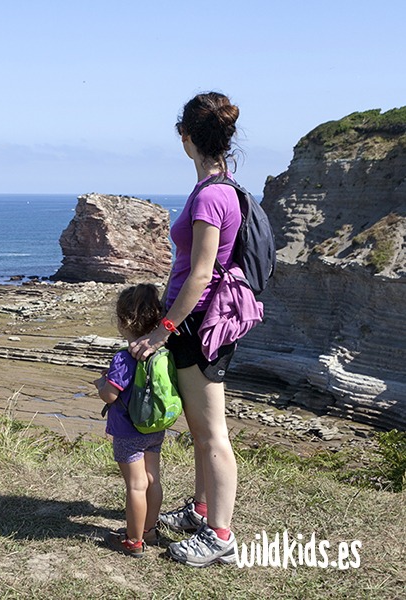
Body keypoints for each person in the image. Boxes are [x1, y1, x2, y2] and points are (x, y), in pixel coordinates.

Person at [128, 91, 243, 567]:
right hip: (196, 321)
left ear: (187, 138)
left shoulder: (212, 195)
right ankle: (200, 510)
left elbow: (200, 273)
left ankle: (220, 534)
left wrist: (163, 330)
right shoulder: (222, 187)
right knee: (199, 429)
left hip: (198, 324)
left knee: (212, 432)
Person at [94, 283, 165, 558]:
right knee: (152, 479)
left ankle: (133, 541)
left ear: (124, 322)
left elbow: (110, 396)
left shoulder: (124, 359)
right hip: (155, 428)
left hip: (128, 431)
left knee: (136, 484)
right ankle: (149, 530)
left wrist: (102, 381)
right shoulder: (160, 353)